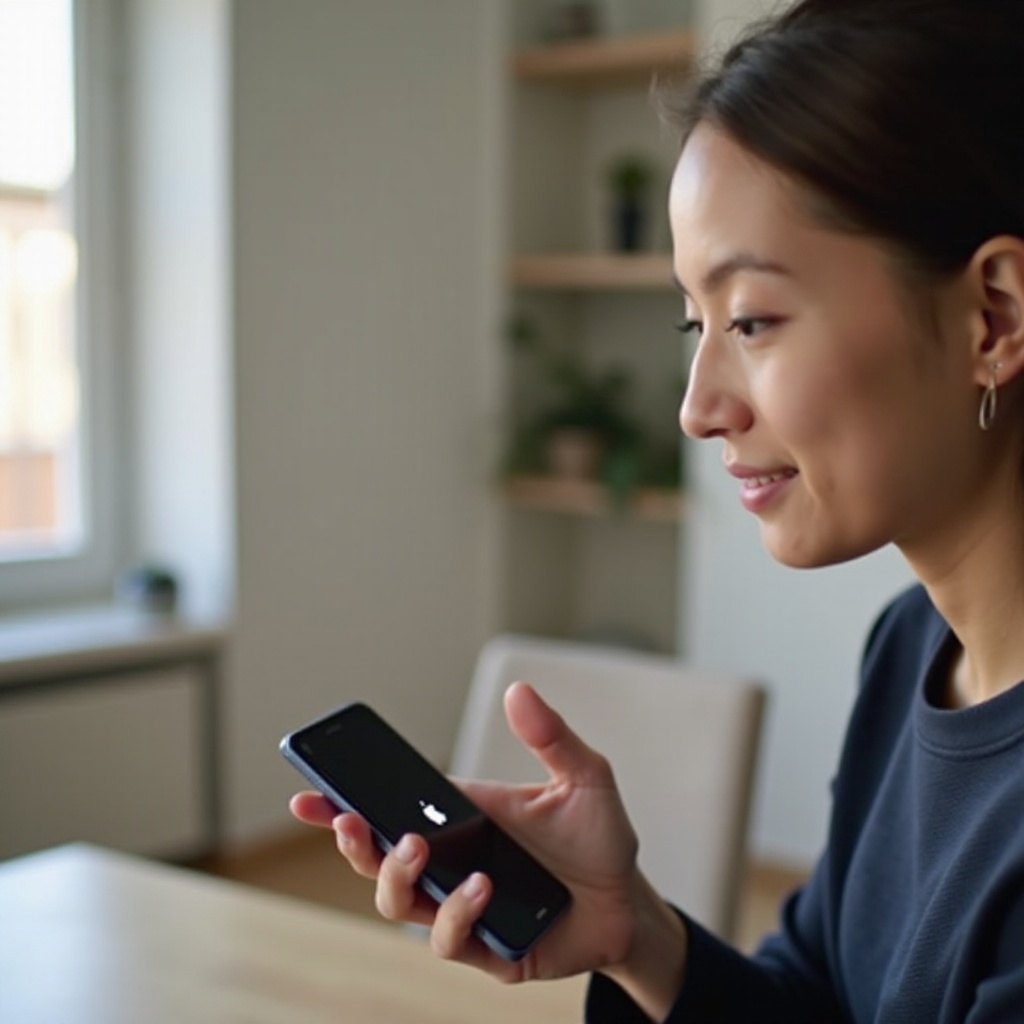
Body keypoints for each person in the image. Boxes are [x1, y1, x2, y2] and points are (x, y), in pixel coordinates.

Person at [291, 0, 1024, 1019]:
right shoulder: (910, 648)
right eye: (694, 321)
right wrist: (637, 930)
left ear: (993, 314)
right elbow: (815, 1001)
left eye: (753, 319)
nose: (694, 407)